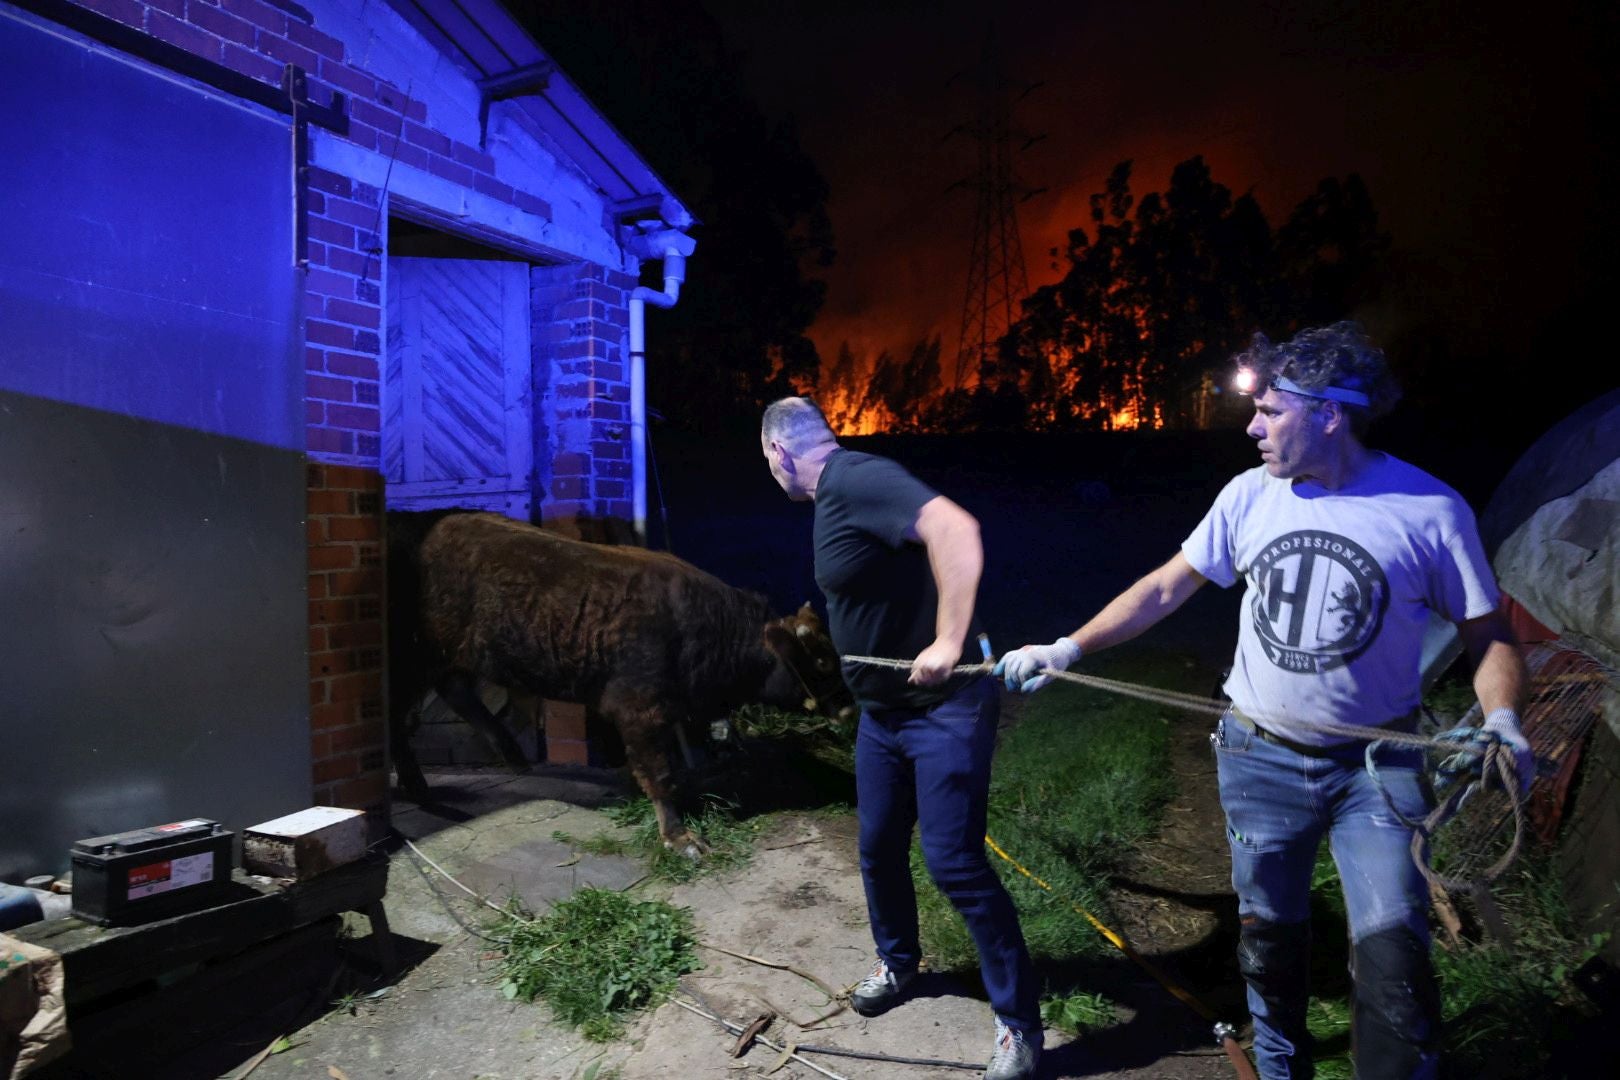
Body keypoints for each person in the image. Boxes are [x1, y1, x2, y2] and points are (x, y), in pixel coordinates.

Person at [995, 322, 1531, 1080]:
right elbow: (1163, 587)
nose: (1252, 427)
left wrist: (1504, 721)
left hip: (1376, 771)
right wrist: (1067, 647)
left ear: (1330, 413)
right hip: (1258, 760)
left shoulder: (1430, 510)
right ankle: (1280, 1065)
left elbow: (1491, 635)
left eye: (1272, 411)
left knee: (1395, 962)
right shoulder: (1249, 496)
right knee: (1269, 940)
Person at [761, 396, 1042, 1080]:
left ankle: (1019, 1026)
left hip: (943, 709)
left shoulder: (857, 477)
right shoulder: (835, 501)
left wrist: (949, 639)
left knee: (952, 863)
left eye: (767, 463)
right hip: (884, 716)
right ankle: (898, 963)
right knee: (878, 845)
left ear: (779, 453)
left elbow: (956, 529)